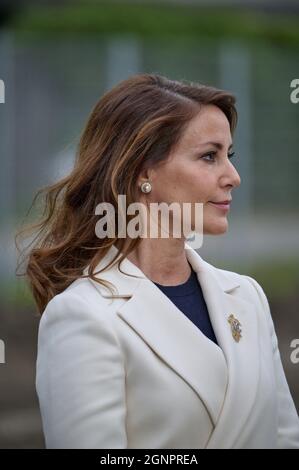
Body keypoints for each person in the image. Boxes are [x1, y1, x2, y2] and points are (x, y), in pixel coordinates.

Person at [20, 73, 299, 448]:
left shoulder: (247, 297)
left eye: (228, 156)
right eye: (208, 156)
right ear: (143, 172)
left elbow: (285, 437)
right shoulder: (82, 315)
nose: (233, 176)